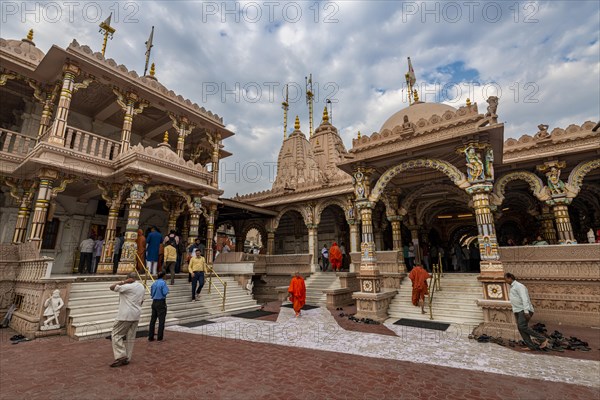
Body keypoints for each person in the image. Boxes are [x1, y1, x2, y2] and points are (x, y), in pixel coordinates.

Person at [109, 272, 145, 367]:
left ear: (129, 279)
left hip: (125, 315)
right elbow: (142, 301)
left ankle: (121, 356)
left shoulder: (128, 287)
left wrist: (123, 282)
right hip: (136, 314)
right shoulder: (141, 286)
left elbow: (112, 287)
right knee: (131, 336)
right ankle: (127, 357)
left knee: (116, 334)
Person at [505, 273, 549, 351]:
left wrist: (526, 311)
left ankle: (543, 339)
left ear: (510, 278)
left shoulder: (519, 286)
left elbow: (524, 298)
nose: (505, 281)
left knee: (522, 326)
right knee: (520, 327)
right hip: (518, 310)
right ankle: (531, 346)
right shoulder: (512, 287)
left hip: (524, 310)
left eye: (506, 279)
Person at [148, 271, 169, 342]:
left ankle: (150, 336)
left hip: (154, 302)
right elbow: (165, 292)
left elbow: (151, 293)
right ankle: (160, 337)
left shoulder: (154, 283)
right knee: (161, 320)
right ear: (163, 276)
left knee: (153, 320)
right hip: (161, 302)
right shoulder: (163, 283)